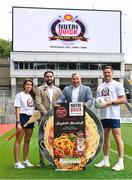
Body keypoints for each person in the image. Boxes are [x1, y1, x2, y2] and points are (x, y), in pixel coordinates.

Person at [94, 65, 126, 171]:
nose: (107, 74)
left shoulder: (117, 84)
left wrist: (110, 102)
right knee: (105, 138)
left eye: (109, 72)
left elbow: (123, 99)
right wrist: (97, 103)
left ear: (112, 73)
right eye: (105, 72)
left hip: (113, 115)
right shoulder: (100, 87)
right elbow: (98, 101)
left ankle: (121, 163)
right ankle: (105, 160)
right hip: (103, 115)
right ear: (103, 74)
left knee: (117, 137)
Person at [35, 70, 61, 167]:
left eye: (51, 76)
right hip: (43, 118)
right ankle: (41, 161)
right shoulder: (39, 89)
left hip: (55, 119)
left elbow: (60, 103)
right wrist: (47, 114)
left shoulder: (58, 90)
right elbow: (38, 103)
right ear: (44, 78)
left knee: (54, 139)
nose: (49, 78)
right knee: (42, 139)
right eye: (47, 77)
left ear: (53, 78)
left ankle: (52, 160)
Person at [14, 78, 35, 169]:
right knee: (18, 140)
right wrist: (18, 122)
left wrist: (33, 118)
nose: (29, 86)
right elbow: (17, 109)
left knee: (27, 140)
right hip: (22, 117)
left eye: (30, 85)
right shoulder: (19, 95)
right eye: (27, 84)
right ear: (24, 85)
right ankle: (17, 162)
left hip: (31, 118)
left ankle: (25, 160)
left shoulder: (32, 96)